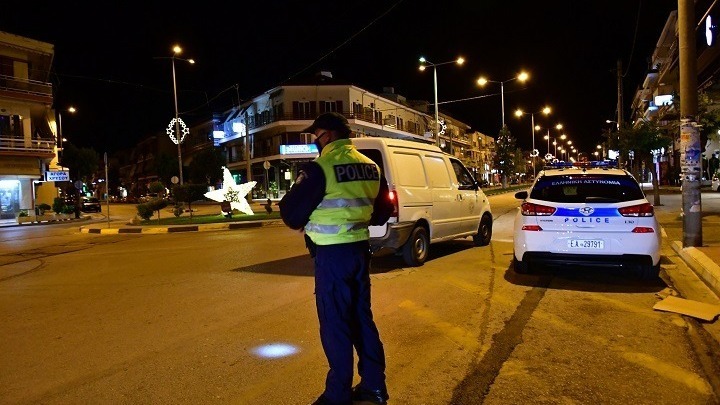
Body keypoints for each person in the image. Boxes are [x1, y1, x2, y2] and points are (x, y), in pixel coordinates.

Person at [279, 112, 393, 405]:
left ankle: (337, 395)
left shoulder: (321, 168)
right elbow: (381, 214)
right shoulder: (371, 167)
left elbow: (291, 215)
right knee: (361, 319)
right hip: (359, 252)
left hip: (332, 256)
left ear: (327, 136)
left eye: (316, 137)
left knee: (335, 324)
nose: (316, 143)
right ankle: (374, 386)